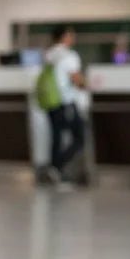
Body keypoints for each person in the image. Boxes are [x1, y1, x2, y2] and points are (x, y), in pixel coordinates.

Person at [45, 25, 86, 187]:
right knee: (79, 137)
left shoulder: (48, 54)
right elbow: (77, 80)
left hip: (50, 100)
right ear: (64, 36)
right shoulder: (69, 55)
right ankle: (56, 167)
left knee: (56, 136)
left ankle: (54, 169)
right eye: (71, 35)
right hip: (66, 101)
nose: (73, 38)